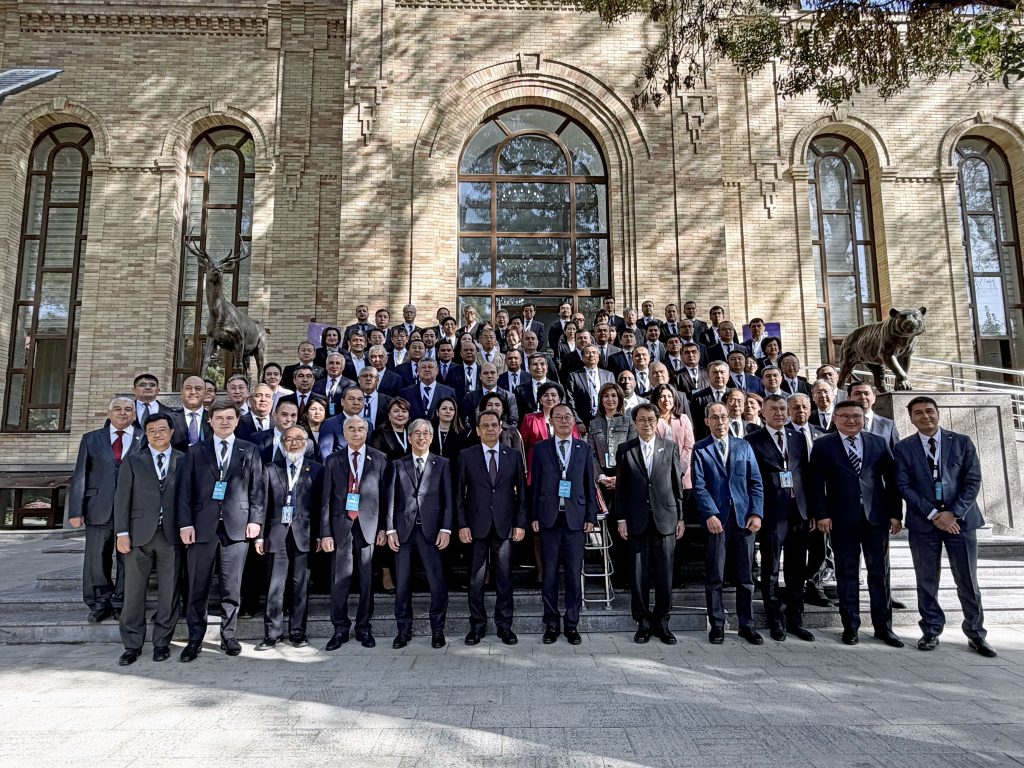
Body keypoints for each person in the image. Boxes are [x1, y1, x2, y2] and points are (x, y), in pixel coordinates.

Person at [894, 396, 995, 657]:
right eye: (918, 413)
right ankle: (930, 629)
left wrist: (953, 513)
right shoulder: (904, 448)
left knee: (967, 579)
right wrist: (933, 514)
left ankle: (976, 633)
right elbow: (904, 486)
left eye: (929, 411)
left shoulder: (961, 442)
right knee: (926, 579)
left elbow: (972, 481)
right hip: (923, 523)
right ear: (911, 418)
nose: (925, 416)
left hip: (961, 522)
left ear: (938, 413)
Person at [810, 400, 904, 647]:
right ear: (836, 418)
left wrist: (896, 514)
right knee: (847, 573)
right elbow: (816, 484)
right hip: (841, 519)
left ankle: (884, 627)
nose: (851, 421)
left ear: (864, 418)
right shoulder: (823, 445)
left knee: (879, 574)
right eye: (845, 416)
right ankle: (850, 626)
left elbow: (891, 481)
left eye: (856, 416)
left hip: (876, 518)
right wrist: (822, 514)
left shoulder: (877, 442)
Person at [176, 401, 265, 662]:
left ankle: (229, 636)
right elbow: (185, 491)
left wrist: (256, 520)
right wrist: (185, 523)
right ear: (210, 421)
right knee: (197, 586)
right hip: (202, 528)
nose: (224, 422)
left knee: (231, 587)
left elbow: (257, 489)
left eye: (230, 417)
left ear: (237, 421)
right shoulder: (195, 451)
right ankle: (195, 639)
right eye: (219, 418)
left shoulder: (249, 450)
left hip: (237, 527)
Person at [112, 412, 182, 665]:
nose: (157, 434)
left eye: (162, 429)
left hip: (171, 536)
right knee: (133, 592)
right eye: (151, 431)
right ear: (146, 434)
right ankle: (132, 644)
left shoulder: (183, 460)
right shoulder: (133, 461)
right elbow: (121, 499)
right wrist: (121, 533)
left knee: (169, 592)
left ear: (171, 432)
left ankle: (162, 642)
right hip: (137, 535)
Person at [692, 402, 765, 645]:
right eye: (715, 417)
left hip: (744, 520)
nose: (720, 421)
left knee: (746, 577)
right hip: (717, 521)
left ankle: (747, 624)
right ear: (707, 422)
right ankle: (717, 624)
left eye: (723, 416)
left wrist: (756, 513)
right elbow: (699, 485)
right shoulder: (700, 449)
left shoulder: (744, 446)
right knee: (715, 575)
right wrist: (710, 514)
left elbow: (755, 482)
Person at [746, 394, 815, 642]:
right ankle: (775, 619)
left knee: (797, 569)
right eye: (773, 409)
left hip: (799, 513)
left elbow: (806, 475)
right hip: (772, 514)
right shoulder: (752, 440)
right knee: (771, 568)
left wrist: (813, 511)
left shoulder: (798, 438)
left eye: (782, 408)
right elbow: (750, 479)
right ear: (762, 412)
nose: (779, 413)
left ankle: (796, 618)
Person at [455, 410, 528, 645]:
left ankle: (504, 626)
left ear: (500, 429)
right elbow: (458, 495)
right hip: (476, 526)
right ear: (477, 430)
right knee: (476, 579)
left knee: (504, 578)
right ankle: (476, 626)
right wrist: (462, 524)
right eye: (484, 426)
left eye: (494, 425)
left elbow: (522, 495)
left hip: (505, 525)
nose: (489, 429)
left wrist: (520, 523)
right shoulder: (466, 456)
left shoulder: (514, 456)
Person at [615, 403, 685, 644]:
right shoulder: (626, 449)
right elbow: (621, 489)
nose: (647, 424)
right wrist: (621, 518)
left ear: (658, 422)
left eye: (651, 419)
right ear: (635, 423)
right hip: (636, 520)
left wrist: (681, 517)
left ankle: (662, 622)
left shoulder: (670, 447)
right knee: (638, 575)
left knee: (665, 574)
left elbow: (677, 486)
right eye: (642, 420)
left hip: (665, 519)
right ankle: (643, 623)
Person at [68, 397, 143, 623]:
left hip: (132, 510)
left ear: (135, 415)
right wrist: (75, 510)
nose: (123, 413)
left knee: (127, 558)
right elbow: (80, 475)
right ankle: (100, 601)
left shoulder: (144, 438)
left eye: (128, 409)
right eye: (118, 409)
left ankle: (121, 601)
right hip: (98, 507)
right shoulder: (91, 439)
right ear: (109, 413)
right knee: (96, 558)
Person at [320, 418, 391, 650]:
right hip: (341, 526)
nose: (357, 432)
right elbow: (326, 501)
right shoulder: (333, 460)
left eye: (361, 429)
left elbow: (385, 497)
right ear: (344, 433)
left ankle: (364, 627)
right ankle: (340, 628)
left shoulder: (379, 459)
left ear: (367, 431)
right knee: (340, 580)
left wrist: (383, 528)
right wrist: (326, 533)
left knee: (367, 580)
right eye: (351, 429)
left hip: (368, 527)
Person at [529, 403, 597, 645]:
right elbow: (534, 486)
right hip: (549, 519)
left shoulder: (584, 449)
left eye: (568, 417)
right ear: (552, 422)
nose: (564, 421)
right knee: (549, 575)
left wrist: (590, 517)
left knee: (572, 575)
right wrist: (534, 516)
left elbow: (590, 486)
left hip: (575, 521)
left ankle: (572, 624)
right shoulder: (541, 449)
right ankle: (551, 624)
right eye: (559, 417)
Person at [386, 418, 453, 649]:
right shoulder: (397, 464)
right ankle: (403, 631)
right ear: (410, 437)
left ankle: (437, 630)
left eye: (426, 433)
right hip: (404, 534)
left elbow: (448, 501)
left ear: (431, 438)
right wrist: (390, 529)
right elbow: (390, 499)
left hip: (432, 533)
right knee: (402, 585)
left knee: (437, 584)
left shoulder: (442, 463)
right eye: (417, 433)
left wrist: (446, 529)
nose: (421, 437)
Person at [255, 426, 322, 650]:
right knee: (275, 586)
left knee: (299, 586)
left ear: (307, 443)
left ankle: (297, 632)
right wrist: (259, 537)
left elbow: (322, 507)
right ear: (282, 444)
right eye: (289, 439)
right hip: (276, 536)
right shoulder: (270, 469)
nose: (294, 443)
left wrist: (321, 535)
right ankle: (272, 634)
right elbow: (262, 505)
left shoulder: (317, 470)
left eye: (299, 439)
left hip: (304, 535)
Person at [587, 383, 637, 588]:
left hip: (622, 480)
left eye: (614, 396)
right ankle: (611, 574)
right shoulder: (594, 424)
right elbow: (590, 454)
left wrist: (619, 478)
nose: (610, 400)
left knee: (624, 529)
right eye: (606, 396)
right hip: (602, 481)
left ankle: (627, 576)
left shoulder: (628, 422)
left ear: (619, 399)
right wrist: (600, 477)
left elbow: (632, 451)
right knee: (607, 529)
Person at [566, 344, 615, 428]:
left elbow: (614, 398)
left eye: (594, 352)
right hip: (583, 422)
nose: (591, 355)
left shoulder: (608, 375)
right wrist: (578, 421)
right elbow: (570, 401)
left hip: (606, 420)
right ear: (582, 358)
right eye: (588, 353)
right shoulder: (574, 376)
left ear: (598, 357)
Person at [461, 362, 519, 429]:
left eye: (492, 373)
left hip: (503, 436)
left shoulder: (509, 397)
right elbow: (465, 421)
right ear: (480, 376)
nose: (489, 376)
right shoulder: (470, 397)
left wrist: (498, 430)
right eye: (485, 373)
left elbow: (513, 423)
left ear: (498, 375)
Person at [317, 386, 368, 459]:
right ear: (342, 402)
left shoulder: (368, 425)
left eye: (360, 399)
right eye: (351, 399)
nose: (356, 403)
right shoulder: (329, 424)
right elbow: (325, 455)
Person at [849, 381, 900, 449]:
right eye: (857, 393)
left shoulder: (888, 425)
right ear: (849, 398)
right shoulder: (840, 424)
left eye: (866, 393)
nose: (862, 397)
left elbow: (896, 453)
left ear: (874, 398)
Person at [689, 361, 733, 440]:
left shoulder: (735, 395)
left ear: (728, 375)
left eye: (722, 372)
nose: (719, 376)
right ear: (708, 376)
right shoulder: (698, 397)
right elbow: (695, 424)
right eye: (715, 372)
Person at [170, 375, 211, 452]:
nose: (193, 392)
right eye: (188, 388)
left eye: (198, 388)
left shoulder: (215, 418)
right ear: (181, 392)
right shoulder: (169, 418)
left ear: (205, 393)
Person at [371, 397, 413, 461]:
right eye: (396, 411)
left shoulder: (413, 431)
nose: (400, 415)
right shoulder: (379, 433)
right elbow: (376, 458)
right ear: (389, 415)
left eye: (404, 411)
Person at [312, 352, 354, 417]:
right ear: (326, 366)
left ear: (343, 367)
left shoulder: (351, 385)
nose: (334, 366)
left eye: (338, 363)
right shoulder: (316, 384)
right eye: (331, 363)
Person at [432, 396, 467, 461]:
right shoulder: (429, 431)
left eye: (451, 409)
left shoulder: (461, 434)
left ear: (455, 413)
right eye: (444, 408)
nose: (448, 411)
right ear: (437, 412)